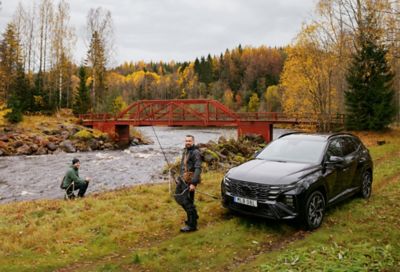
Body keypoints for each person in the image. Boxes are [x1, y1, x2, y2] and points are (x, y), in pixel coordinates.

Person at [174, 135, 202, 232]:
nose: (187, 142)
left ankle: (192, 225)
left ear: (193, 142)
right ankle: (193, 215)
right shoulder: (185, 151)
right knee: (178, 196)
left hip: (190, 181)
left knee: (187, 201)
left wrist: (193, 183)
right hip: (182, 179)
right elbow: (183, 165)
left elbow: (198, 168)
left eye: (189, 141)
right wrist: (179, 177)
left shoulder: (196, 152)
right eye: (186, 141)